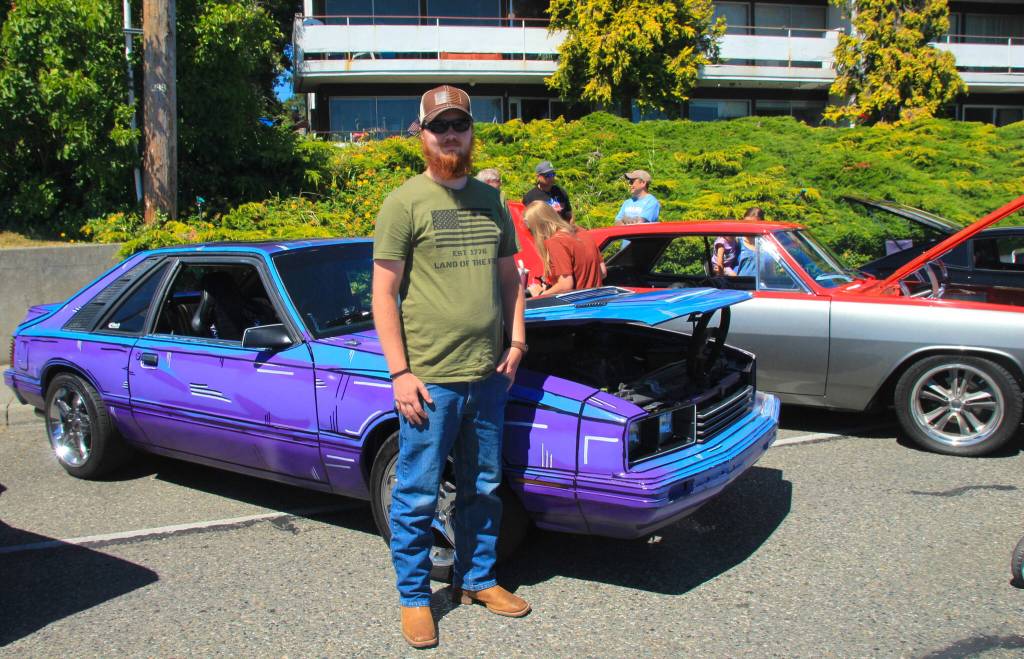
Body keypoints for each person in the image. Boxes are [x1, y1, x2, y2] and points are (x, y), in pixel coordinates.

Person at [371, 84, 529, 650]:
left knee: (483, 486)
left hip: (487, 374)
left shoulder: (492, 202)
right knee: (417, 493)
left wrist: (517, 341)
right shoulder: (403, 203)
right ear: (422, 134)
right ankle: (416, 598)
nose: (451, 135)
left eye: (459, 124)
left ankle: (477, 580)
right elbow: (383, 295)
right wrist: (400, 373)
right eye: (440, 126)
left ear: (471, 132)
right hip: (429, 379)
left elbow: (510, 279)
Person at [522, 201, 605, 297]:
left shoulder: (556, 242)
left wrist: (540, 294)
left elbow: (566, 285)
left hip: (576, 303)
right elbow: (602, 272)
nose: (532, 234)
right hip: (598, 300)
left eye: (531, 230)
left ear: (538, 226)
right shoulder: (581, 231)